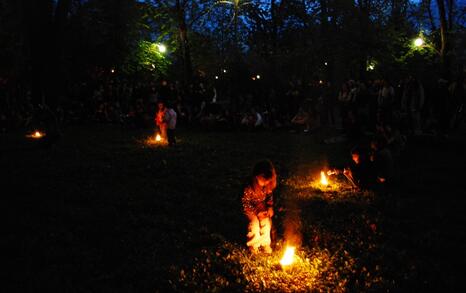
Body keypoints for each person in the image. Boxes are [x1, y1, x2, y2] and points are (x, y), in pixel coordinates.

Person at [242, 160, 277, 254]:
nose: (265, 183)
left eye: (267, 181)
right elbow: (244, 203)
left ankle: (265, 243)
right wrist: (256, 212)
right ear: (256, 176)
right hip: (248, 208)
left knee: (266, 221)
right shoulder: (248, 186)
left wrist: (269, 207)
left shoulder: (267, 185)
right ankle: (253, 244)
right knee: (254, 223)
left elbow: (269, 196)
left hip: (260, 206)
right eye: (263, 180)